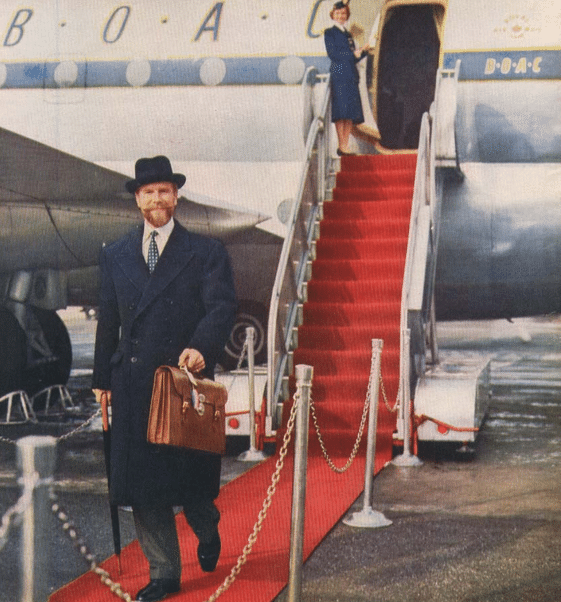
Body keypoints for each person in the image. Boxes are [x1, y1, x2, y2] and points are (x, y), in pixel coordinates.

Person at [92, 155, 237, 602]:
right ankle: (164, 573)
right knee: (142, 485)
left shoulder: (206, 253)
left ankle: (206, 526)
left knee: (188, 480)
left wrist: (201, 346)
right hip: (134, 385)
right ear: (137, 199)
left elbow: (220, 308)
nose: (157, 198)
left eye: (164, 191)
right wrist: (101, 381)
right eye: (148, 191)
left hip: (182, 381)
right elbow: (108, 321)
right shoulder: (114, 254)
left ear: (176, 196)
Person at [324, 0, 371, 156]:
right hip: (339, 74)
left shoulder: (348, 34)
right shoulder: (330, 33)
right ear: (333, 15)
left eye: (343, 13)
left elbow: (353, 58)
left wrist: (363, 51)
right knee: (341, 112)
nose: (340, 16)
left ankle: (345, 145)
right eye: (337, 13)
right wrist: (353, 54)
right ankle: (341, 145)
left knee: (349, 111)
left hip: (350, 74)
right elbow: (333, 54)